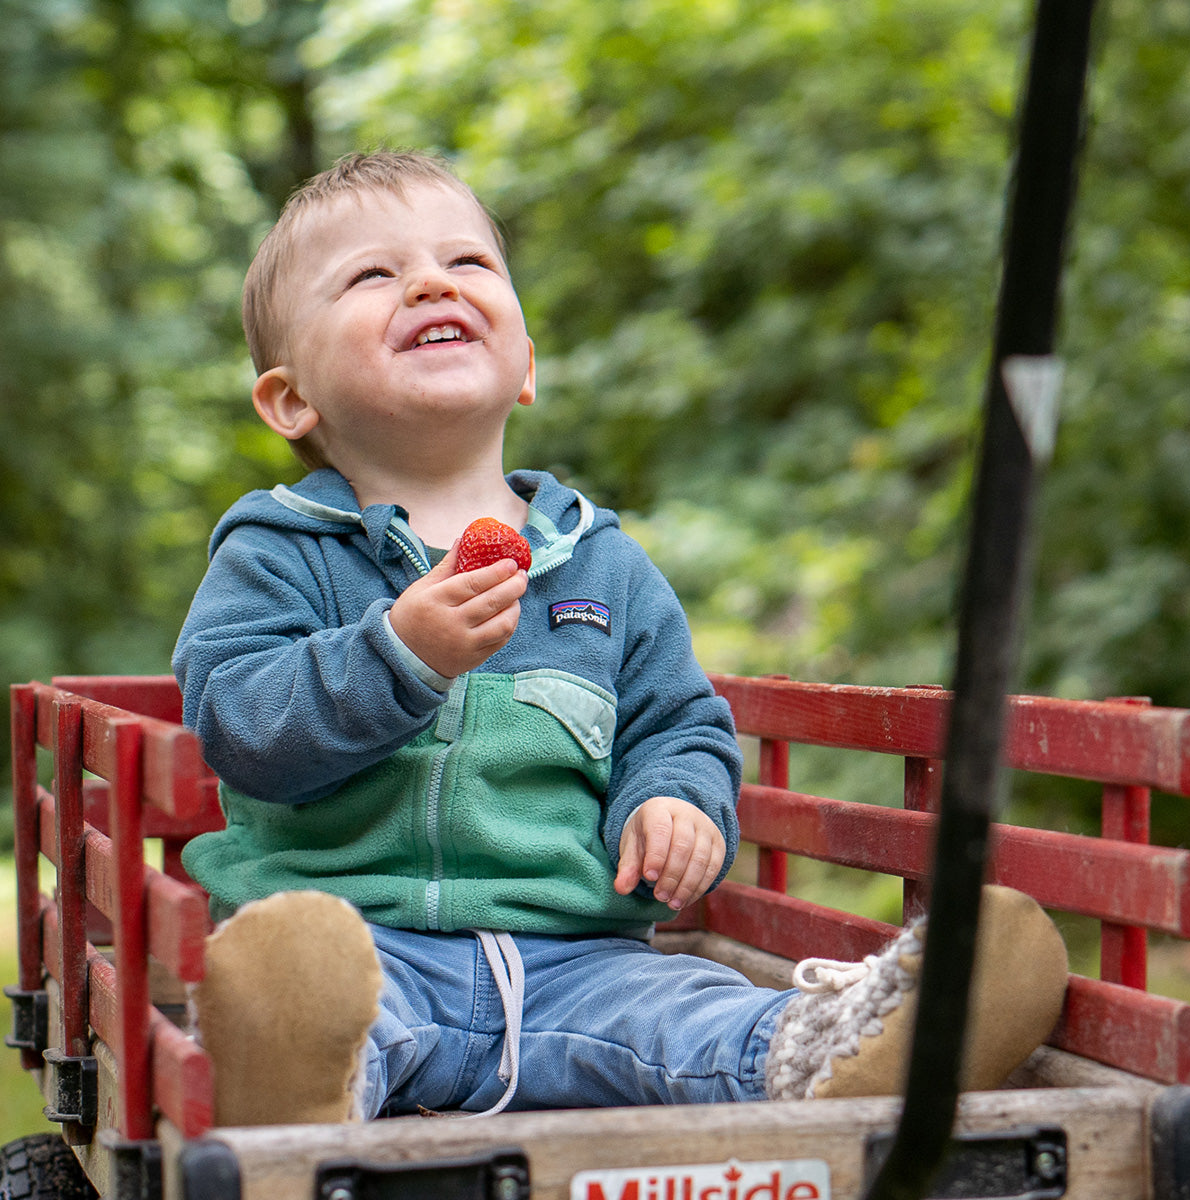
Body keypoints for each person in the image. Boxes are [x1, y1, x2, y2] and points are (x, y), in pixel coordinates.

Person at [174, 150, 1068, 1126]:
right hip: (369, 954)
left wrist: (677, 800)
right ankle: (293, 1066)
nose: (432, 281)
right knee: (323, 1001)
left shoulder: (602, 567)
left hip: (583, 964)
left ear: (527, 367)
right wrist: (400, 655)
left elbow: (679, 725)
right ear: (291, 398)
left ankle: (847, 1046)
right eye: (372, 275)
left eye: (468, 265)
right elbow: (240, 726)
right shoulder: (279, 551)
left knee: (696, 1020)